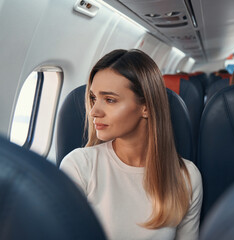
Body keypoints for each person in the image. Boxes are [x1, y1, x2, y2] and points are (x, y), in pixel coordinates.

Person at [60, 49, 203, 240]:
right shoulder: (79, 166)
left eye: (110, 100)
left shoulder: (187, 176)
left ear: (146, 107)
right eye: (94, 98)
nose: (94, 111)